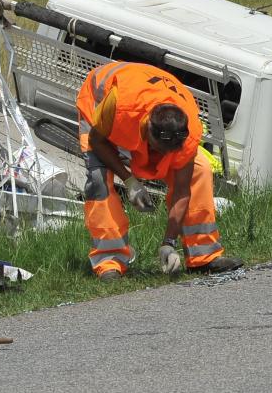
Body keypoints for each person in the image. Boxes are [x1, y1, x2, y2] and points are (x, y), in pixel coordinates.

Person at [76, 61, 242, 279]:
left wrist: (168, 243)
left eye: (169, 153)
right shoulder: (120, 105)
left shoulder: (189, 126)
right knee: (98, 180)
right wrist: (130, 181)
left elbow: (182, 191)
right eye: (158, 150)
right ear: (148, 131)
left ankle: (203, 255)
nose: (161, 158)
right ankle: (109, 262)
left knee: (200, 169)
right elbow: (98, 141)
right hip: (99, 107)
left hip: (144, 101)